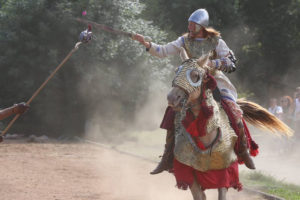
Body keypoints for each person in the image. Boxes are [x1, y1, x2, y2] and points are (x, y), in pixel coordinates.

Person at [133, 8, 256, 173]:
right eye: (189, 24)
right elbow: (163, 51)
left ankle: (243, 150)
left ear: (202, 27)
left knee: (234, 111)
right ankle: (167, 156)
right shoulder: (183, 41)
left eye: (193, 25)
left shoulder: (216, 42)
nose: (190, 28)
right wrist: (146, 44)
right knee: (172, 110)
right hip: (191, 83)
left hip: (214, 81)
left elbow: (231, 62)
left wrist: (213, 64)